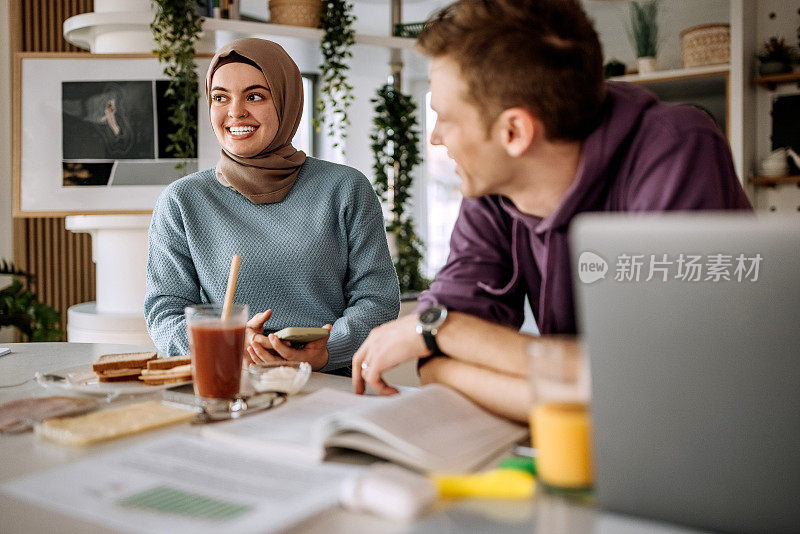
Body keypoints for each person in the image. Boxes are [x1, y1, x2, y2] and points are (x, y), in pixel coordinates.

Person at [352, 0, 751, 420]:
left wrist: (445, 330)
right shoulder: (492, 186)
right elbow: (434, 366)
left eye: (445, 118)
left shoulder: (677, 148)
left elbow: (674, 388)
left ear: (514, 132)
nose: (435, 137)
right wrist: (593, 392)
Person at [145, 38, 399, 374]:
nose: (236, 112)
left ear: (286, 100)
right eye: (221, 97)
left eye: (254, 96)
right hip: (228, 381)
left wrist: (328, 350)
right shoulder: (182, 201)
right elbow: (165, 311)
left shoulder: (345, 189)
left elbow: (378, 300)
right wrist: (227, 345)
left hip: (328, 385)